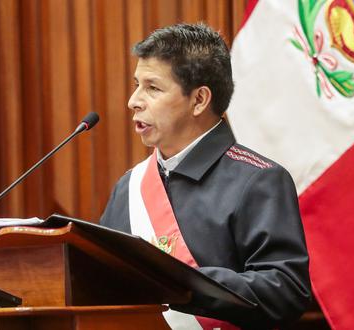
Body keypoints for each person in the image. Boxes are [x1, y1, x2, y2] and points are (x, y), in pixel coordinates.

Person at [99, 23, 311, 329]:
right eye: (136, 85)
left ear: (199, 100)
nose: (134, 101)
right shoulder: (129, 186)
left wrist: (182, 282)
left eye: (152, 88)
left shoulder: (258, 180)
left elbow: (285, 292)